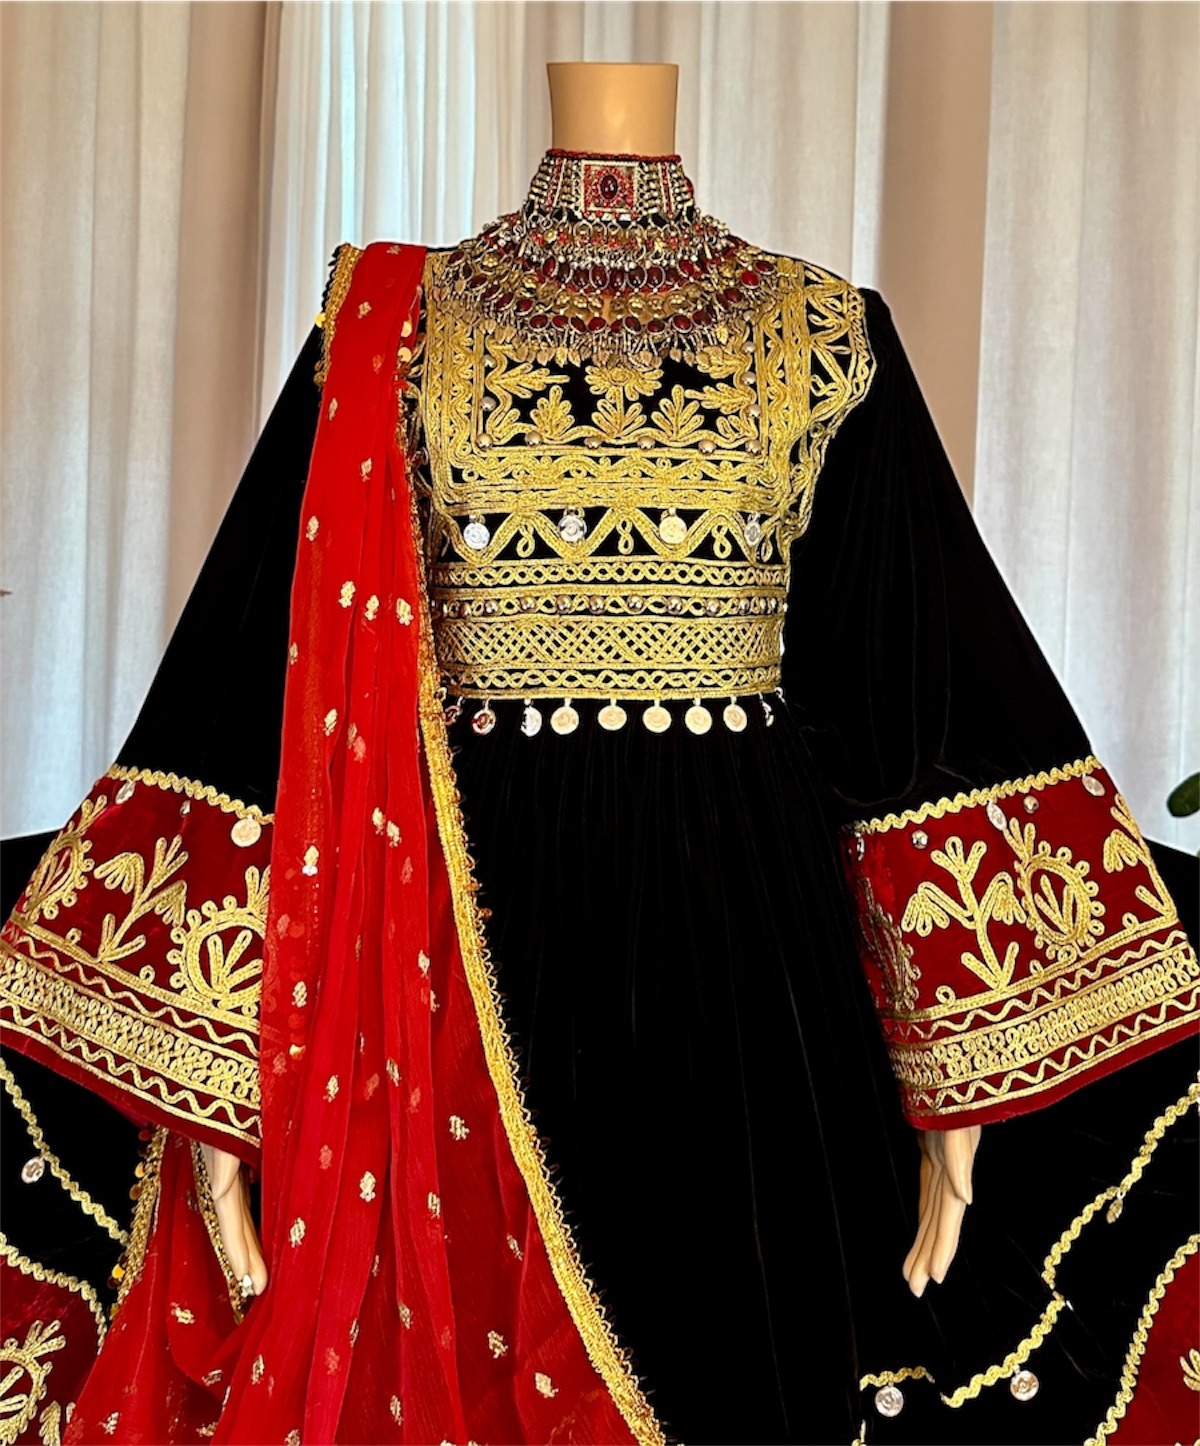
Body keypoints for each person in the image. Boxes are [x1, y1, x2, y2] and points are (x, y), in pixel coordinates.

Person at [1, 61, 1196, 1446]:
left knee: (731, 1342)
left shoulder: (822, 331)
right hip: (458, 942)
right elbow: (258, 680)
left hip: (749, 958)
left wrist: (953, 1079)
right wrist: (218, 1102)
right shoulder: (392, 326)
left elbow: (916, 693)